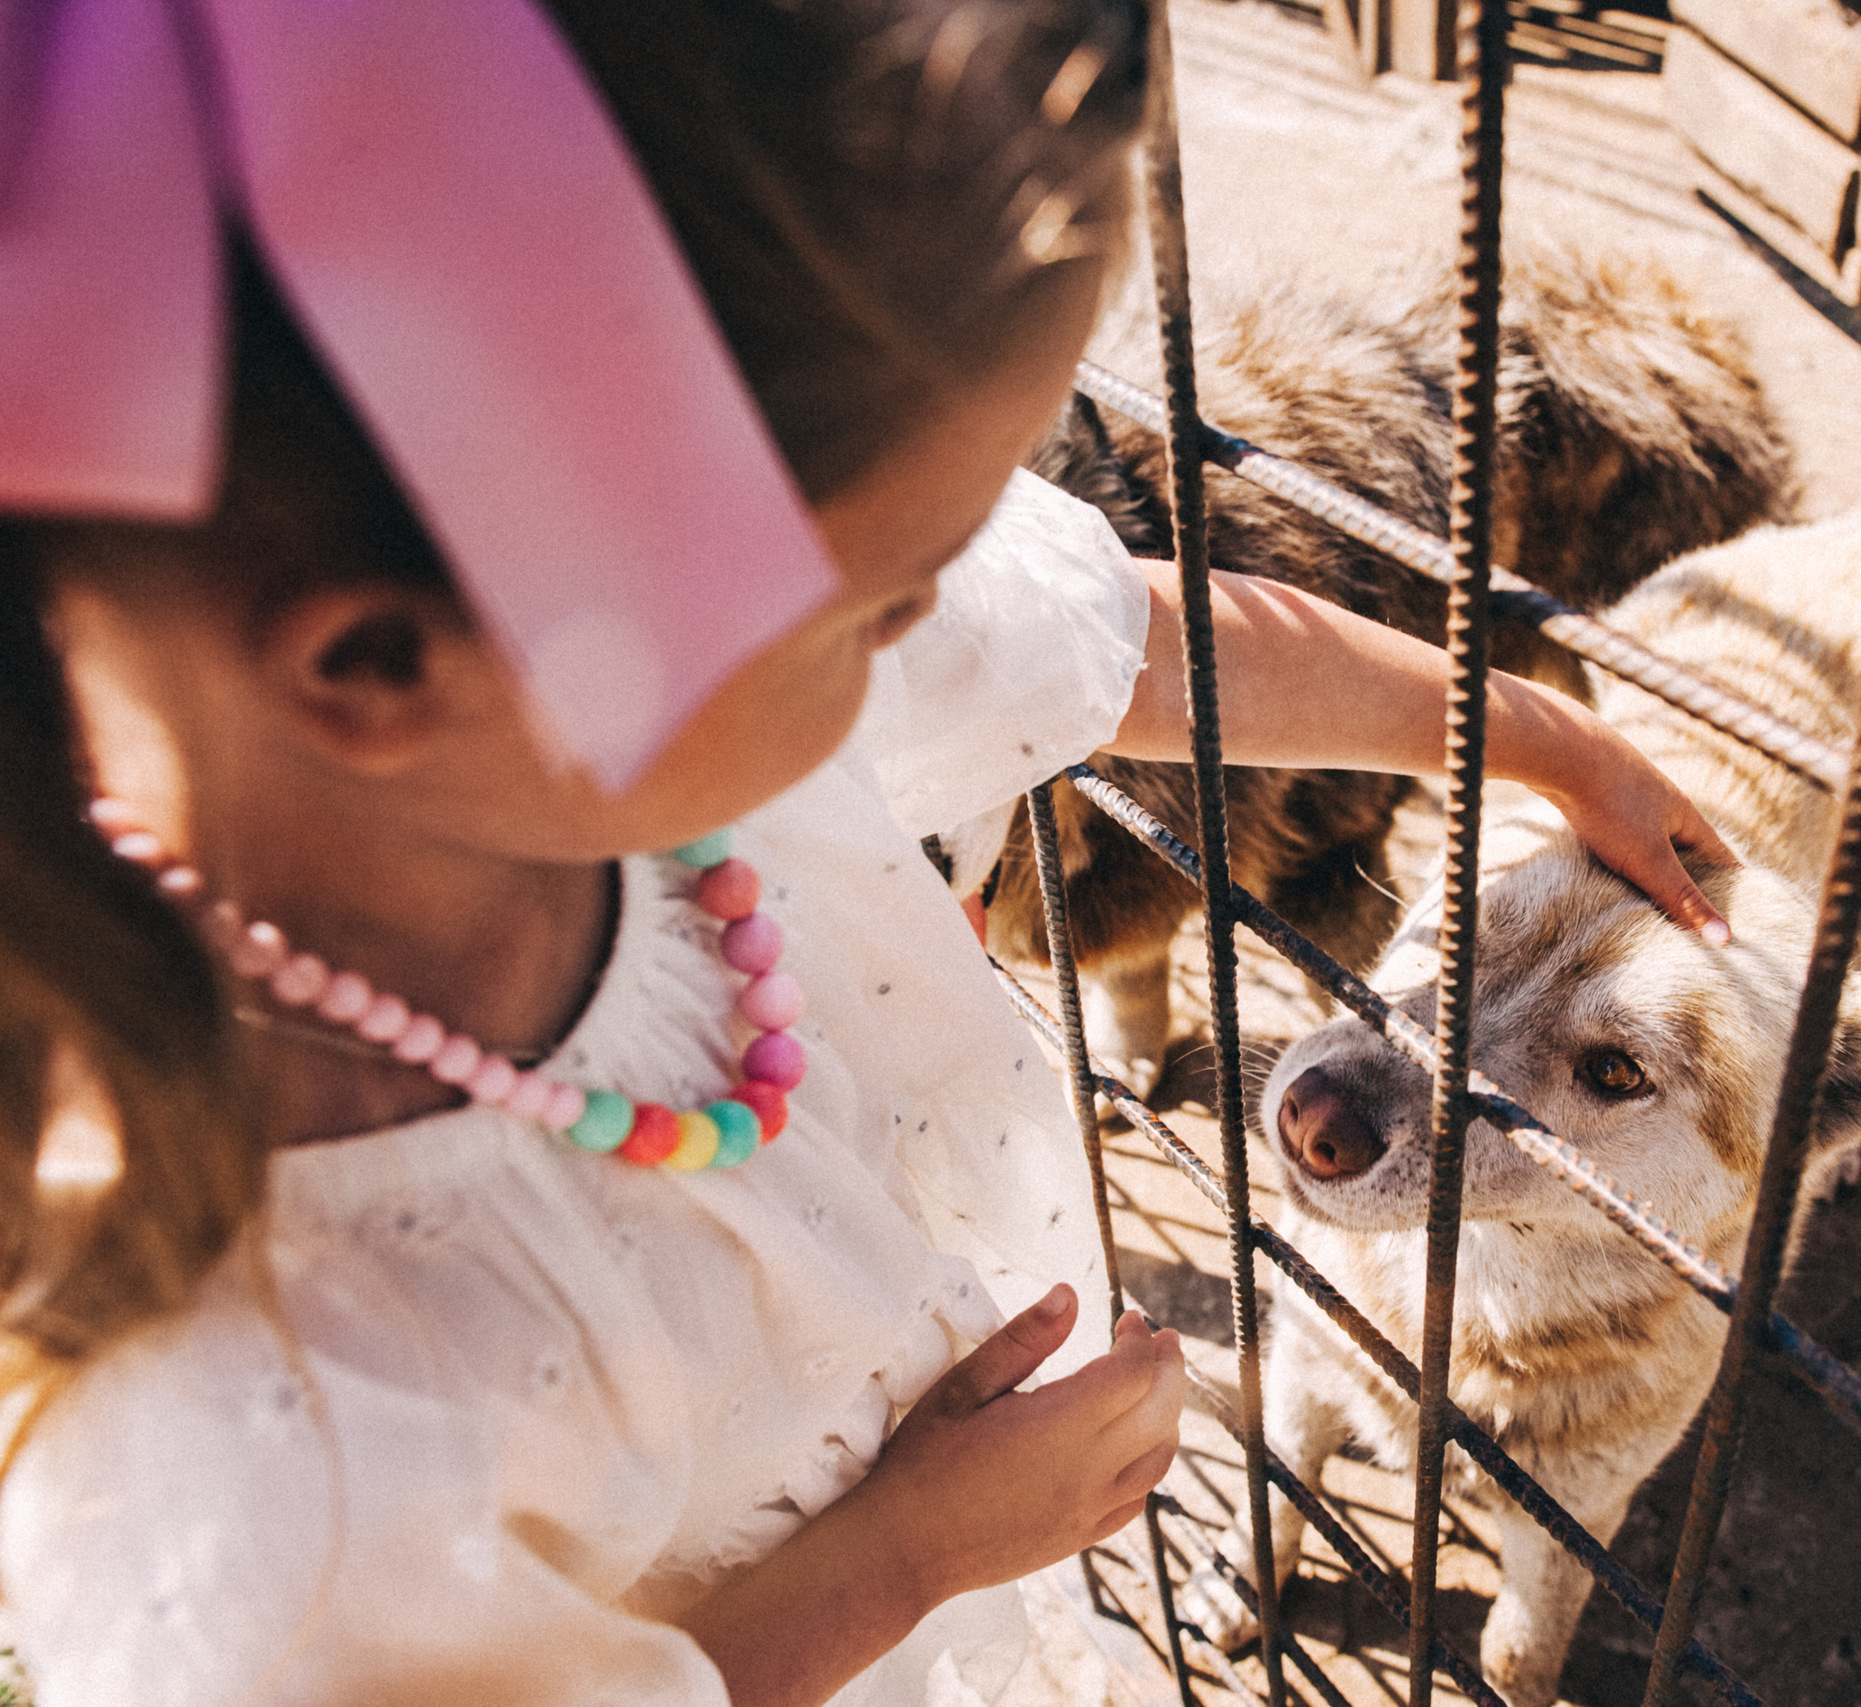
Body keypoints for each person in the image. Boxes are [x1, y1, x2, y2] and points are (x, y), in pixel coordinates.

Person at [0, 1, 1734, 1703]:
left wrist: (1539, 732)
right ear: (385, 664)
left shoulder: (602, 720)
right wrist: (895, 1563)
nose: (932, 626)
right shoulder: (262, 1445)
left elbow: (1129, 635)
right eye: (889, 593)